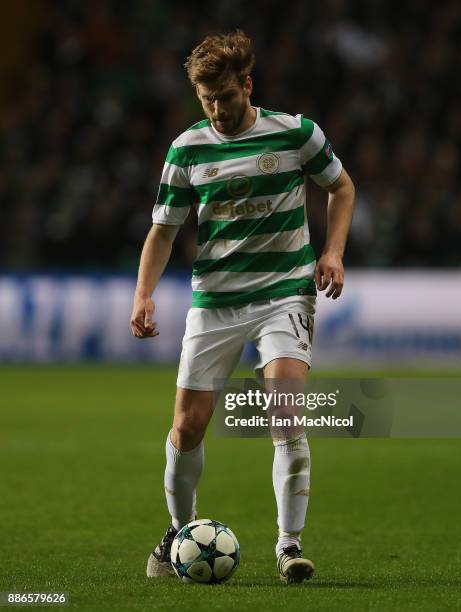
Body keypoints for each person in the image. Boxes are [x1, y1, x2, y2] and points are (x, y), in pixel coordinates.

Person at [130, 29, 355, 584]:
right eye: (206, 100)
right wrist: (143, 293)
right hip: (216, 301)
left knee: (286, 412)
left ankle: (289, 546)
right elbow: (163, 231)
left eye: (225, 97)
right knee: (187, 427)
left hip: (284, 293)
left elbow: (342, 187)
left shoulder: (296, 134)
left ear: (247, 85)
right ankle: (179, 533)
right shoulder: (187, 148)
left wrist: (332, 251)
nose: (217, 110)